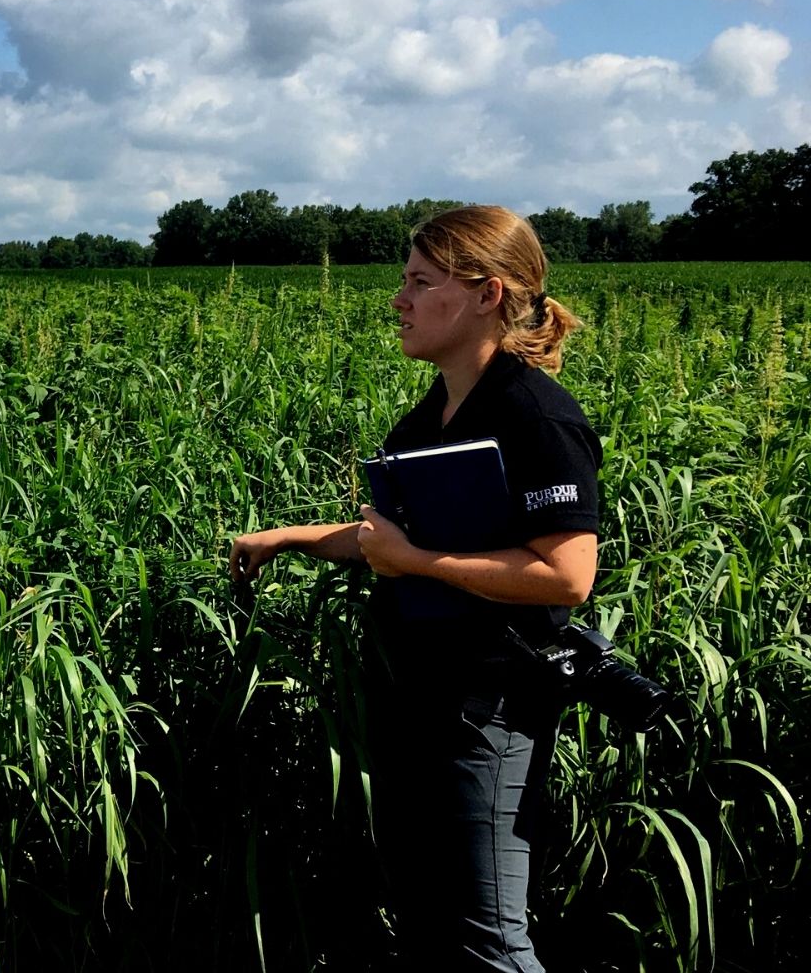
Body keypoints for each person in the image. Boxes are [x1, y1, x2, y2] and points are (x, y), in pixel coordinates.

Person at [229, 205, 601, 970]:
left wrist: (417, 564)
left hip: (488, 712)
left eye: (419, 281)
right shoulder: (430, 418)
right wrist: (293, 537)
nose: (397, 299)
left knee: (489, 941)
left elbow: (568, 574)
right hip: (417, 700)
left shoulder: (534, 416)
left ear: (485, 294)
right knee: (430, 923)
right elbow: (393, 542)